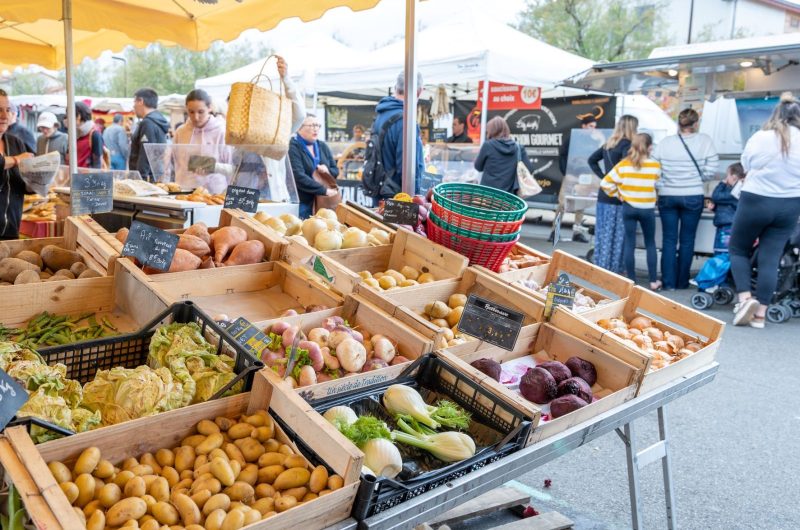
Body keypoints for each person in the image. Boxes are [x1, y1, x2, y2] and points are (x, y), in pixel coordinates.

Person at [730, 93, 800, 328]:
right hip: (790, 203)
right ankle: (760, 315)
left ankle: (744, 299)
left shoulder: (761, 137)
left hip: (756, 199)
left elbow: (747, 164)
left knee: (738, 248)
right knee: (771, 257)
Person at [653, 108, 719, 290]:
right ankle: (682, 282)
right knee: (688, 240)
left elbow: (653, 168)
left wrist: (663, 183)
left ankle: (668, 283)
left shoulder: (665, 143)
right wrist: (699, 178)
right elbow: (712, 168)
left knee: (669, 240)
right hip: (693, 195)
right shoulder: (705, 141)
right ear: (695, 123)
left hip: (667, 195)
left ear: (679, 123)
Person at [601, 133, 661, 290]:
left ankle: (632, 280)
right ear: (649, 147)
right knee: (650, 244)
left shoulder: (624, 165)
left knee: (630, 243)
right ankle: (654, 281)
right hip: (647, 209)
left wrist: (619, 194)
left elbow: (605, 183)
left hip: (629, 207)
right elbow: (658, 182)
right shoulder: (655, 165)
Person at [587, 114, 639, 274]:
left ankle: (601, 265)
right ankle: (615, 269)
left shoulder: (609, 144)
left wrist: (604, 177)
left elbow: (591, 160)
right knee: (618, 235)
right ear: (632, 127)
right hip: (620, 195)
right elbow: (627, 170)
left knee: (604, 233)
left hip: (604, 194)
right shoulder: (629, 146)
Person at [369, 71, 425, 201]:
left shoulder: (381, 114)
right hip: (398, 200)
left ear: (395, 88)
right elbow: (408, 171)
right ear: (419, 91)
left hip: (380, 192)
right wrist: (416, 199)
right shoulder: (406, 120)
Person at [174, 89, 232, 192]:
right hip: (184, 190)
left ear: (209, 108)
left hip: (214, 193)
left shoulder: (221, 131)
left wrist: (213, 167)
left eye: (201, 112)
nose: (196, 117)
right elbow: (177, 163)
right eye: (191, 112)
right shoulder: (181, 131)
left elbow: (232, 167)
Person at [553, 114, 598, 243]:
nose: (592, 129)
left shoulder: (593, 142)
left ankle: (577, 232)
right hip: (571, 174)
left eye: (594, 127)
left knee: (581, 204)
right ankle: (554, 231)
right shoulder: (572, 138)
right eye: (590, 126)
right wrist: (565, 172)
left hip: (585, 176)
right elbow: (562, 155)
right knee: (562, 203)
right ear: (583, 126)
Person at [289, 114, 340, 219]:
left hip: (323, 202)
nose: (316, 129)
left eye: (318, 125)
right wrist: (324, 191)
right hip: (303, 201)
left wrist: (327, 171)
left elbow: (335, 171)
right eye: (312, 125)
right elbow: (298, 176)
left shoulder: (322, 146)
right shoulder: (293, 146)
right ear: (299, 128)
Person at [0, 90, 35, 239]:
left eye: (7, 110)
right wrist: (16, 160)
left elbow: (23, 185)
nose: (5, 116)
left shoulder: (15, 142)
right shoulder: (18, 154)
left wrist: (36, 181)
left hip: (11, 230)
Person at [474, 116, 534, 195]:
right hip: (509, 197)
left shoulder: (488, 145)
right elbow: (529, 169)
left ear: (491, 131)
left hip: (487, 195)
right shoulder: (518, 147)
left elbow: (478, 167)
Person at [129, 88, 169, 181]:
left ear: (140, 101)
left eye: (134, 102)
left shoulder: (148, 123)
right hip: (155, 174)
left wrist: (140, 179)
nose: (133, 106)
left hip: (147, 178)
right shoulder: (158, 120)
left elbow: (145, 153)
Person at [709, 162, 744, 254]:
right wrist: (715, 208)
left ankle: (723, 268)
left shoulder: (736, 191)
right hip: (728, 225)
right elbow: (728, 206)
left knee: (722, 253)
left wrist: (721, 184)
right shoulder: (733, 190)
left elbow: (716, 196)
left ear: (734, 176)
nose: (726, 178)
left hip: (727, 227)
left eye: (727, 175)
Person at [68, 101, 105, 169]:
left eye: (69, 116)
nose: (68, 120)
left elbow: (97, 163)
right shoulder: (75, 134)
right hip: (75, 175)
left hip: (88, 177)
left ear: (78, 116)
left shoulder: (95, 134)